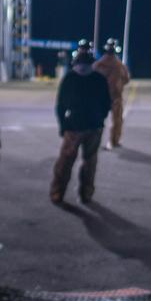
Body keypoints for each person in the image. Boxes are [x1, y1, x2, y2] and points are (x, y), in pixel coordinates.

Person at [50, 42, 112, 205]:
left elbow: (60, 106)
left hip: (74, 127)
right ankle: (86, 195)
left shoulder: (69, 78)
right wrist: (100, 119)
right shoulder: (99, 79)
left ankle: (58, 193)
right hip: (94, 126)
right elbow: (107, 104)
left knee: (64, 163)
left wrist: (63, 126)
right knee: (90, 163)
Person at [94, 38, 131, 148]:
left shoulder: (98, 64)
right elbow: (126, 79)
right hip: (115, 95)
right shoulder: (119, 65)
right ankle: (114, 140)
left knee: (97, 120)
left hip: (101, 97)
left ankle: (94, 141)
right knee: (117, 120)